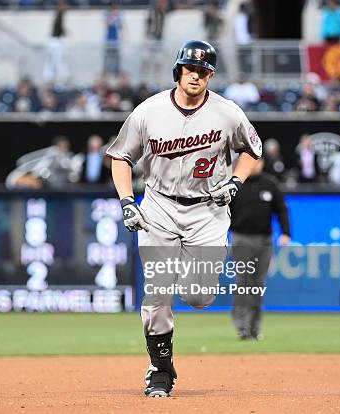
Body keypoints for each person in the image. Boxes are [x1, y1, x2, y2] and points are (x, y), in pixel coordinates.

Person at [106, 40, 262, 398]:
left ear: (211, 76)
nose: (196, 76)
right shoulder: (149, 110)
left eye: (204, 71)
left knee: (199, 296)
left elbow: (252, 151)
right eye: (190, 69)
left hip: (207, 210)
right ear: (179, 70)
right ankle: (160, 369)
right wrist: (127, 201)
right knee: (158, 291)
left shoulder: (228, 112)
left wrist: (236, 182)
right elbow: (120, 157)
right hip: (159, 206)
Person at [230, 158, 290, 340]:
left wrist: (286, 232)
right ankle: (241, 326)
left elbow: (281, 209)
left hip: (264, 241)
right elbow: (222, 210)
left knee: (258, 284)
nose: (255, 165)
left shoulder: (269, 184)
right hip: (242, 238)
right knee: (243, 282)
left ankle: (254, 328)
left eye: (258, 161)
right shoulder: (236, 185)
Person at [103, 3, 124, 76]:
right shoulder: (109, 17)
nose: (117, 12)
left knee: (117, 58)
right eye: (116, 11)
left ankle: (116, 73)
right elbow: (107, 25)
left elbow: (121, 28)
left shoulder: (118, 19)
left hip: (116, 41)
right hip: (109, 41)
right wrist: (112, 18)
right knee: (108, 57)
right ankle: (106, 72)